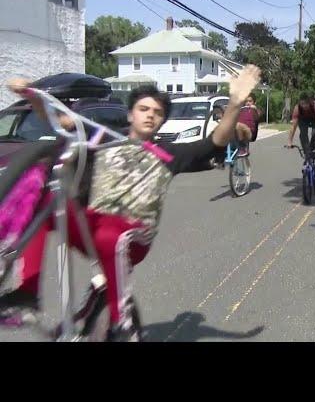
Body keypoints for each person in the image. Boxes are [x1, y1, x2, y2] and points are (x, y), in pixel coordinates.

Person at [0, 65, 261, 340]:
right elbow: (62, 121)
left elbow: (214, 143)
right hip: (93, 228)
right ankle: (27, 293)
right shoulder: (103, 137)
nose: (150, 115)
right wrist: (32, 94)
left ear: (162, 122)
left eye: (157, 113)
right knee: (46, 203)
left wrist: (235, 102)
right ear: (130, 114)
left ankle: (122, 323)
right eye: (144, 109)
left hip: (133, 237)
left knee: (114, 235)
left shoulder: (167, 153)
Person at [235, 92, 261, 156]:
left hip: (250, 133)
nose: (248, 103)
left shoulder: (255, 110)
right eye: (246, 101)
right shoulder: (242, 110)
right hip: (240, 131)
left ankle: (242, 149)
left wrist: (255, 109)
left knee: (238, 125)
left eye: (250, 101)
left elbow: (259, 115)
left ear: (254, 102)